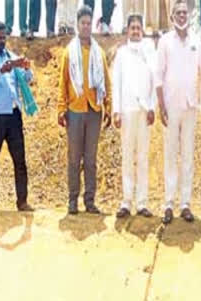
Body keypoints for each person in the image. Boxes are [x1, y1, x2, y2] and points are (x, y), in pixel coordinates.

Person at [156, 0, 201, 224]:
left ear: (189, 15)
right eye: (178, 13)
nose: (181, 16)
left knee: (187, 155)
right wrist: (160, 106)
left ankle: (185, 203)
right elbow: (158, 76)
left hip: (190, 106)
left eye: (184, 13)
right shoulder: (165, 42)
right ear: (172, 17)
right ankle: (168, 203)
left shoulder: (196, 41)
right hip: (171, 105)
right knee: (170, 155)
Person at [58, 5, 112, 215]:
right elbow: (63, 82)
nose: (86, 27)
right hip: (75, 109)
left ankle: (89, 201)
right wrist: (61, 110)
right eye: (83, 23)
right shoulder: (69, 53)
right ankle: (72, 201)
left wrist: (108, 106)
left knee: (90, 159)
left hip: (94, 110)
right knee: (74, 157)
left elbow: (106, 81)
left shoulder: (99, 52)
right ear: (77, 25)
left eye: (89, 23)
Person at [112, 14, 156, 219]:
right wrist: (116, 111)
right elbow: (117, 84)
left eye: (139, 27)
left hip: (144, 110)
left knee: (143, 157)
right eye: (133, 28)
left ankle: (142, 202)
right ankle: (126, 201)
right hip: (127, 110)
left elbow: (155, 80)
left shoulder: (150, 50)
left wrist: (152, 107)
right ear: (127, 31)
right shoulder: (121, 53)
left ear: (142, 31)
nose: (136, 31)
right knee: (128, 156)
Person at [0, 20, 34, 214]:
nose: (3, 41)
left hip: (14, 115)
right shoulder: (0, 62)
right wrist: (1, 71)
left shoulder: (11, 56)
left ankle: (22, 202)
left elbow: (27, 79)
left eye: (4, 37)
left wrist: (26, 68)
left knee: (20, 160)